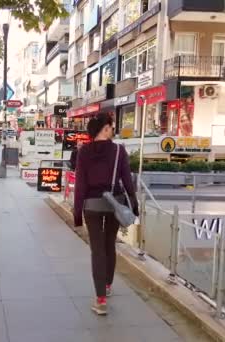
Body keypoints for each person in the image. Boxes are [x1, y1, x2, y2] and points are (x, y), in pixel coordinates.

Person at [73, 113, 138, 316]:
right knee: (110, 244)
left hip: (91, 205)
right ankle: (107, 285)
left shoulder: (84, 151)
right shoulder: (119, 150)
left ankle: (100, 300)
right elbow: (128, 182)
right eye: (111, 126)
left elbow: (80, 185)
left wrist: (77, 213)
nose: (113, 130)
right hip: (114, 204)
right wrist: (134, 205)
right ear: (106, 128)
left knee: (97, 250)